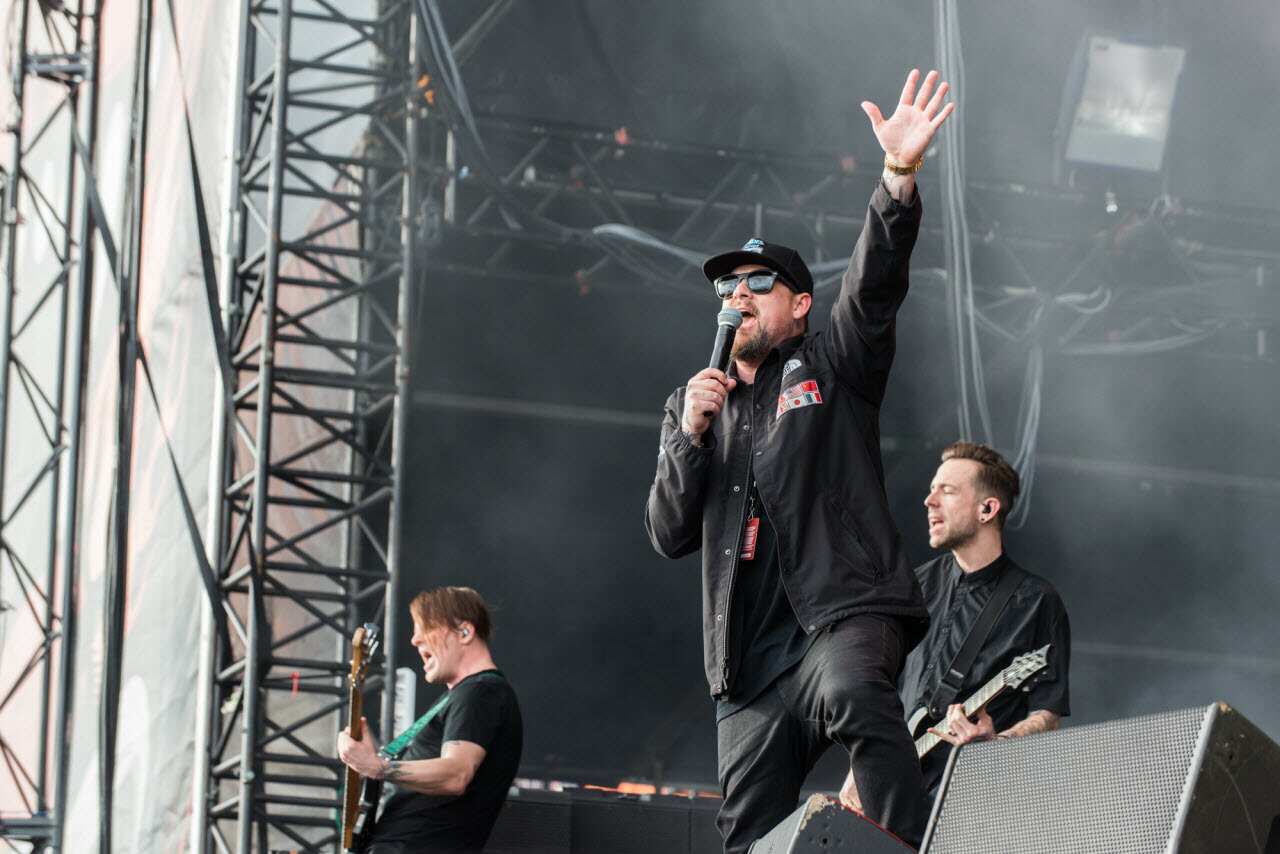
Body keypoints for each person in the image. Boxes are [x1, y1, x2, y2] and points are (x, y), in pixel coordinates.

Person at [644, 68, 954, 852]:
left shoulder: (831, 362)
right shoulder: (693, 405)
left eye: (758, 282)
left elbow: (875, 288)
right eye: (727, 287)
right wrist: (689, 438)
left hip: (840, 616)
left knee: (855, 693)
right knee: (746, 831)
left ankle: (906, 846)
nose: (738, 295)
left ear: (800, 304)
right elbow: (669, 533)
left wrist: (897, 177)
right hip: (749, 668)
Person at [848, 441, 1071, 803]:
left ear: (987, 509)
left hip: (974, 793)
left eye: (947, 491)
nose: (929, 501)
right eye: (931, 489)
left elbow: (1047, 713)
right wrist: (859, 768)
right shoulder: (916, 586)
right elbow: (881, 687)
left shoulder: (1035, 601)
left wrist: (996, 742)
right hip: (892, 789)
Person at [337, 586, 523, 854]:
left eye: (427, 628)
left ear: (465, 632)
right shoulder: (465, 694)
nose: (415, 640)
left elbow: (456, 775)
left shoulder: (481, 691)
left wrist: (377, 767)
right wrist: (372, 758)